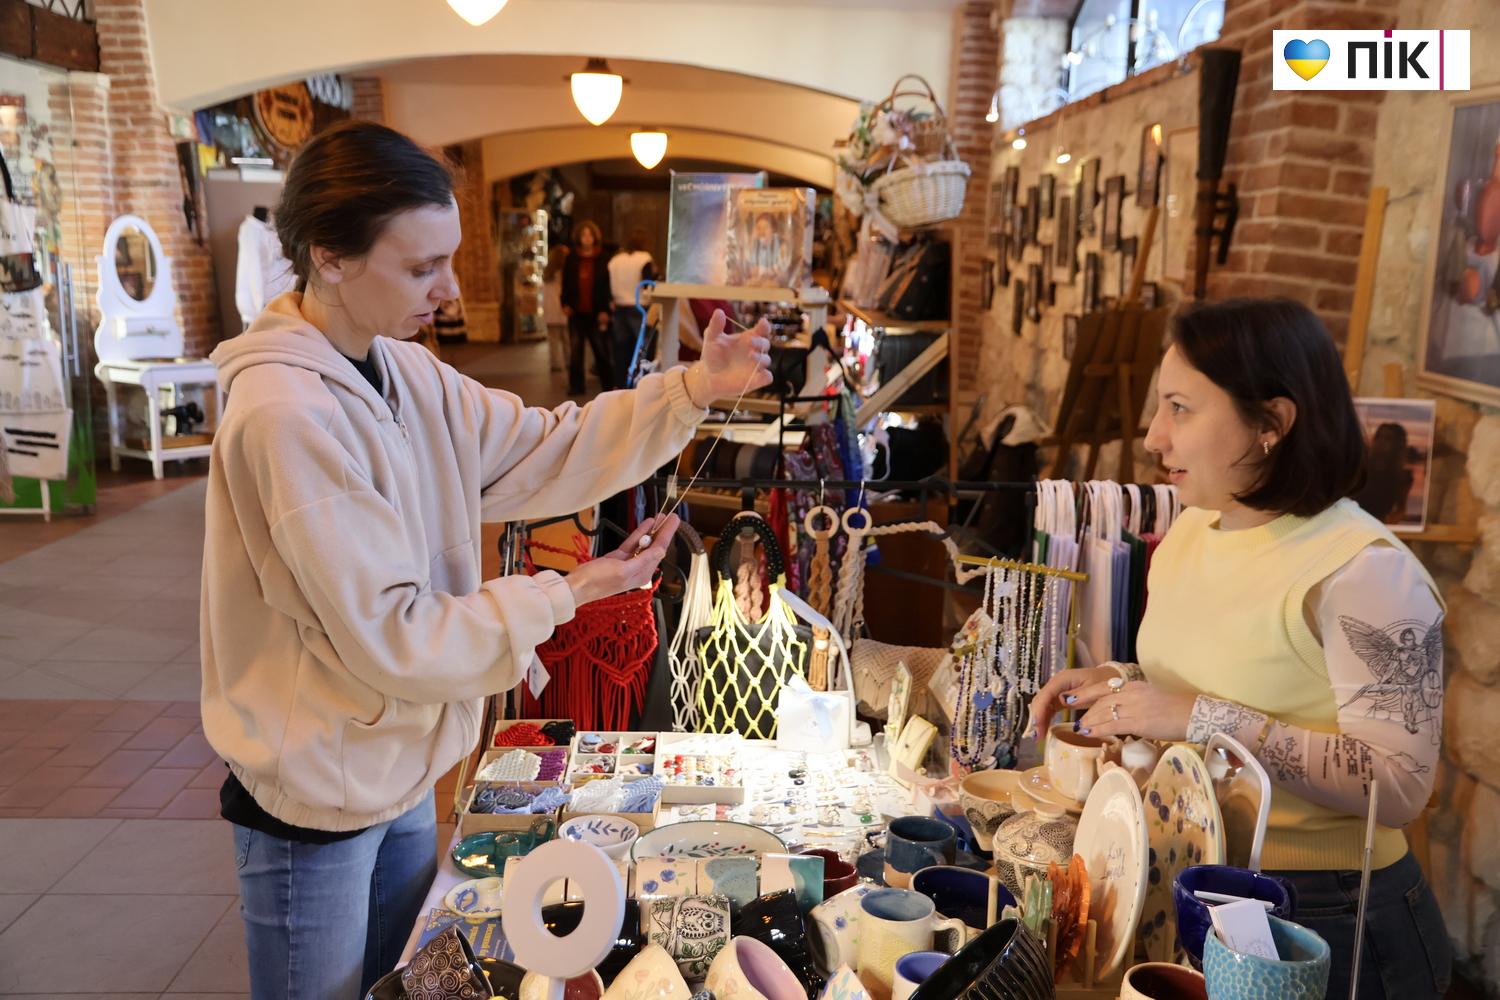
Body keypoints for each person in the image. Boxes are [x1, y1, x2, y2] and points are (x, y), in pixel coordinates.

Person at [200, 121, 771, 1000]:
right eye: (421, 266)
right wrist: (569, 590)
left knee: (396, 985)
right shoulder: (286, 414)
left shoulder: (406, 372)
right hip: (312, 788)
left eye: (449, 259)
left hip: (396, 763)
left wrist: (692, 388)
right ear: (331, 256)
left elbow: (548, 447)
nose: (447, 288)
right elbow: (392, 633)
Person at [1029, 299, 1450, 1000]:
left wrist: (1198, 716)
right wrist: (1119, 681)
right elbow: (1228, 671)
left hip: (1325, 919)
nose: (1154, 437)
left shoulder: (1366, 570)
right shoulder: (1198, 527)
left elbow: (1399, 784)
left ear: (1271, 424)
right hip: (1197, 885)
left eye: (1180, 409)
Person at [560, 220, 615, 394]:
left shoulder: (603, 257)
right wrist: (565, 303)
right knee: (575, 351)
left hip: (596, 311)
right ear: (579, 237)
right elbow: (566, 281)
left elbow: (608, 284)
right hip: (576, 311)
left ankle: (608, 385)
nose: (587, 238)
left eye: (589, 235)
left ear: (594, 237)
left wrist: (606, 309)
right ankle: (576, 386)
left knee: (601, 350)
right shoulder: (572, 257)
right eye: (584, 235)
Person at [607, 227, 656, 388]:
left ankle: (620, 384)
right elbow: (647, 284)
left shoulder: (615, 260)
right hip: (639, 307)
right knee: (642, 349)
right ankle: (641, 384)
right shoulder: (644, 258)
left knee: (621, 349)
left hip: (620, 307)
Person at [1353, 421, 1415, 525]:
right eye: (1379, 437)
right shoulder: (1361, 468)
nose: (1381, 441)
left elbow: (1400, 509)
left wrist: (1385, 526)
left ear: (1397, 444)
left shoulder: (1403, 477)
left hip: (1378, 526)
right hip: (1353, 524)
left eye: (1388, 438)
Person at [542, 243, 569, 373]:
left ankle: (555, 363)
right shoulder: (565, 273)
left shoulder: (547, 273)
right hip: (563, 310)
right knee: (567, 340)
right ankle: (569, 361)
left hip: (550, 311)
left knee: (553, 341)